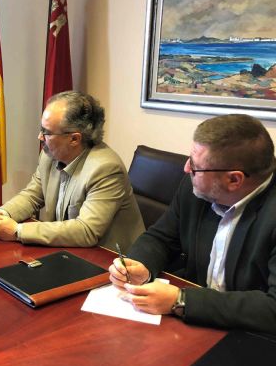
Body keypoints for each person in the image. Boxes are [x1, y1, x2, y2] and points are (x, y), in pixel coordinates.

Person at [109, 114, 276, 334]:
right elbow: (161, 237)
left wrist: (181, 300)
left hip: (251, 334)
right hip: (193, 325)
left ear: (234, 179)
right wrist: (141, 265)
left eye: (196, 166)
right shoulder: (195, 188)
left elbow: (272, 308)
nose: (186, 168)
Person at [0, 91, 144, 251]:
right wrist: (2, 214)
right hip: (69, 251)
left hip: (110, 259)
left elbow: (86, 230)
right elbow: (32, 196)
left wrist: (18, 231)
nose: (40, 137)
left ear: (74, 139)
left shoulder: (105, 169)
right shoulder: (49, 156)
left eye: (47, 132)